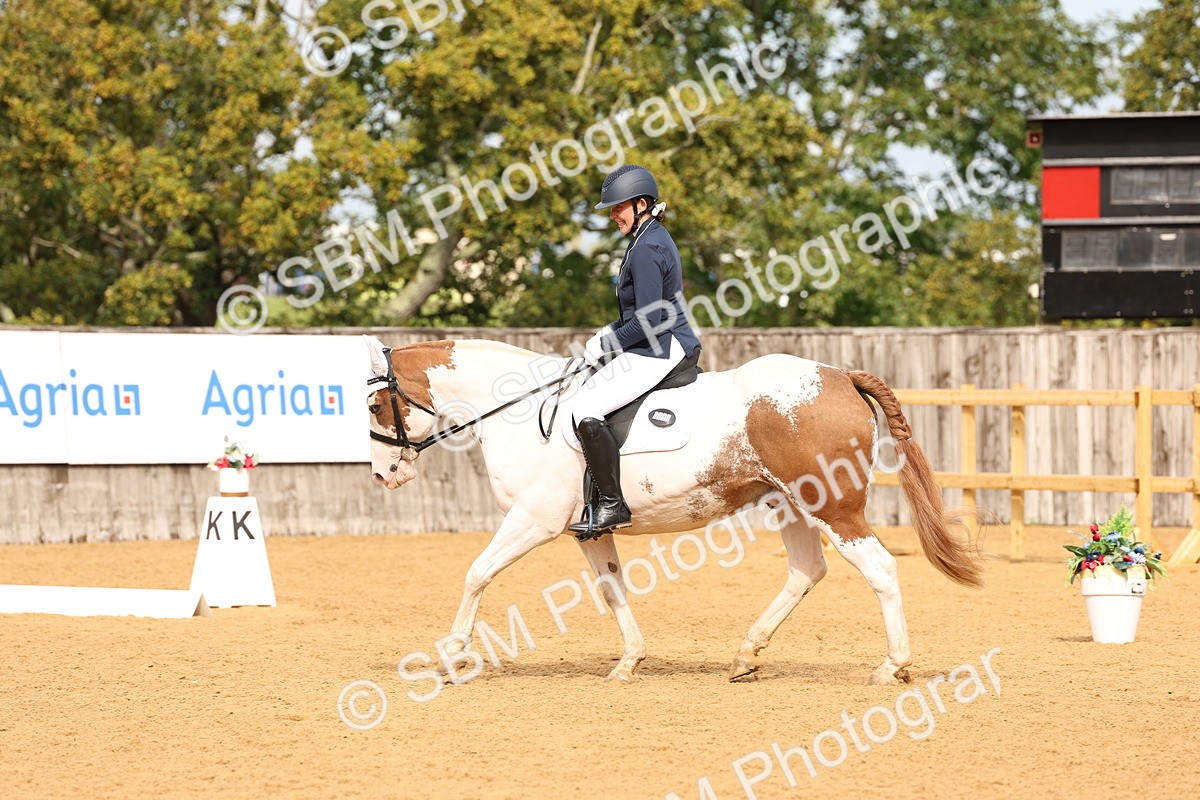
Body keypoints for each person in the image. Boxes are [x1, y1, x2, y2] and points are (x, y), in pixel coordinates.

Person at [568, 164, 701, 538]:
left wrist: (607, 343)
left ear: (641, 203)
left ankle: (612, 504)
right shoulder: (650, 237)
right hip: (657, 340)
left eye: (617, 207)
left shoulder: (646, 248)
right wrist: (610, 330)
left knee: (585, 407)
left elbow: (650, 320)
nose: (612, 215)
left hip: (659, 347)